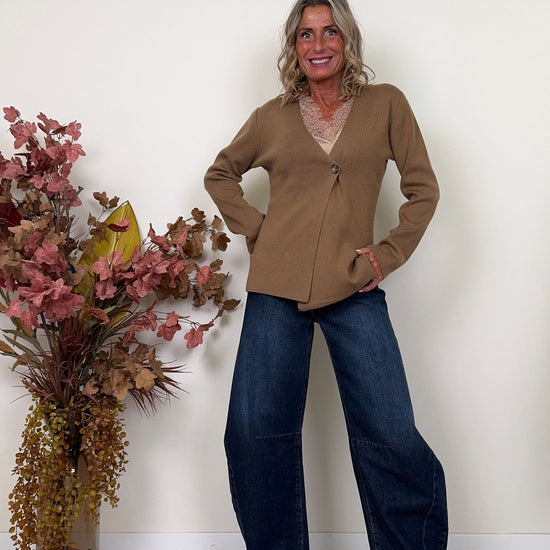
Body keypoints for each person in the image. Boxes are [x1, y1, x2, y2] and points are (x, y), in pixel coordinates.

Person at [204, 0, 448, 548]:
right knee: (253, 431)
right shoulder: (272, 116)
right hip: (276, 285)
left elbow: (423, 190)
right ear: (294, 47)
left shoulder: (386, 104)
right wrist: (260, 230)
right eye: (306, 34)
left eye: (330, 31)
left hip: (353, 282)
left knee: (391, 432)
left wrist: (386, 254)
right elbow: (220, 173)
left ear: (347, 40)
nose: (318, 44)